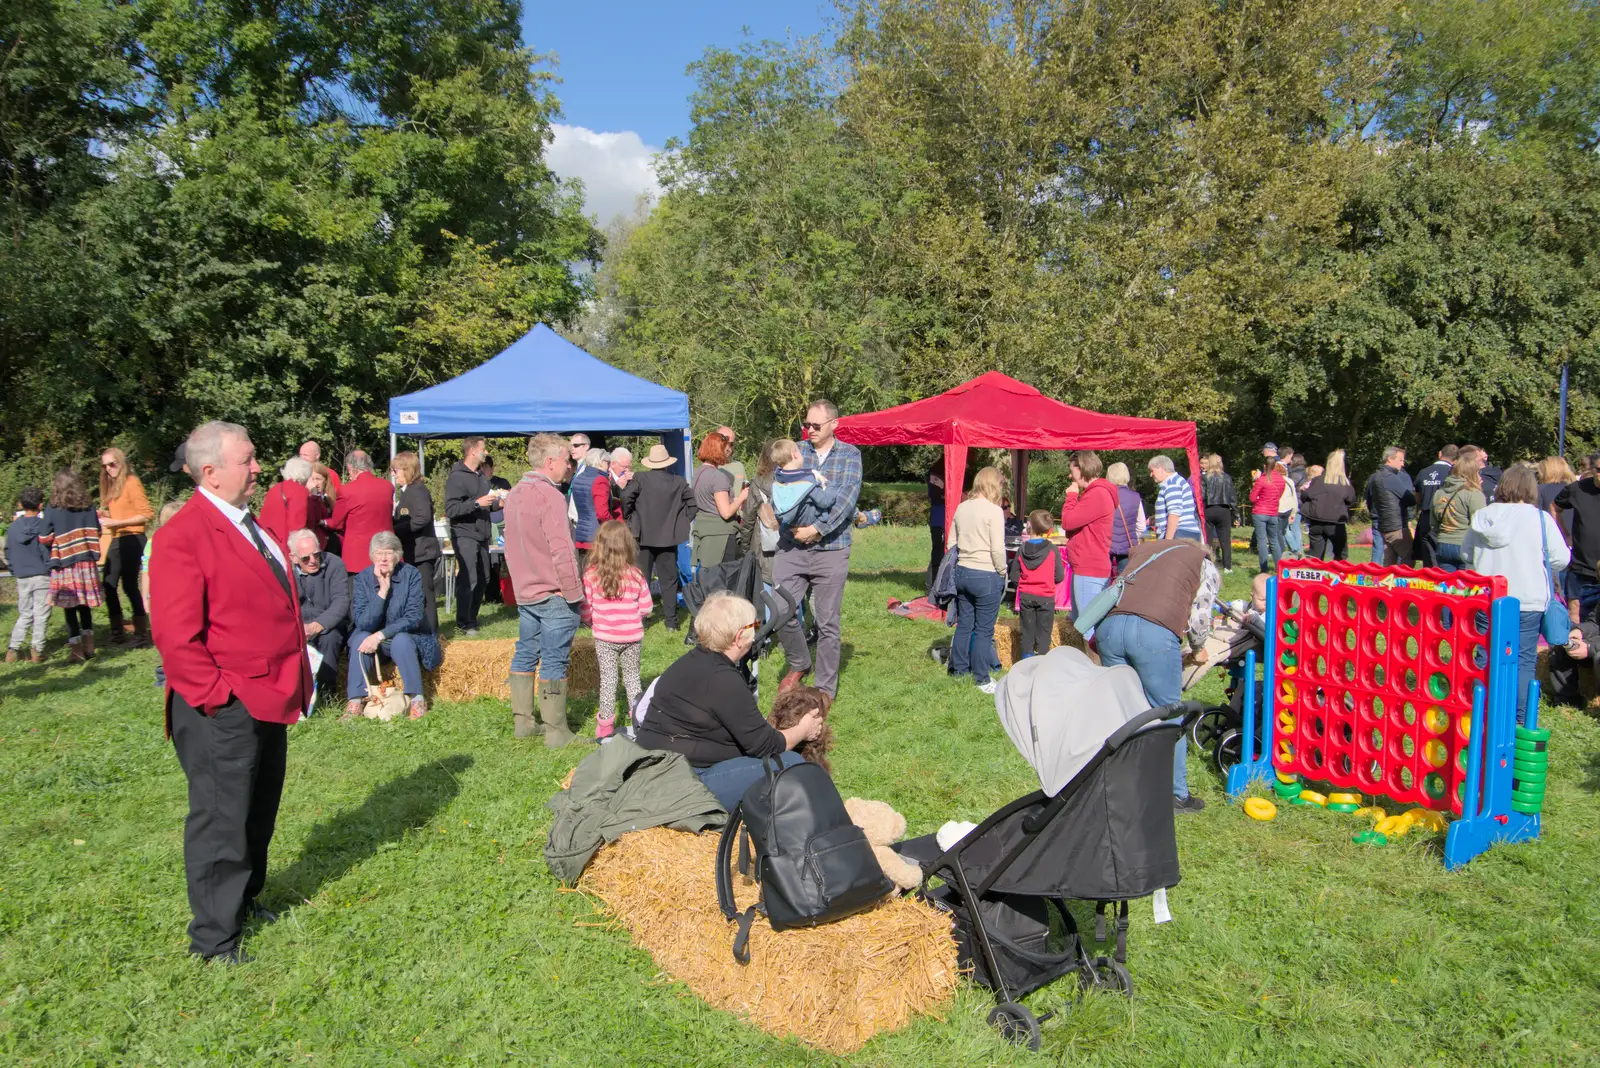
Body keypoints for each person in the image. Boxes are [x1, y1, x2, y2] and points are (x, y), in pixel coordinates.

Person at [150, 421, 312, 964]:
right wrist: (217, 696)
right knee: (221, 819)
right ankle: (214, 938)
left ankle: (242, 901)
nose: (258, 467)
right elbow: (175, 636)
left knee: (257, 808)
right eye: (248, 459)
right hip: (223, 705)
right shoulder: (183, 534)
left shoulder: (253, 523)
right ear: (211, 472)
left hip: (267, 694)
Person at [636, 591, 823, 810]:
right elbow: (768, 747)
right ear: (738, 637)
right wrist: (804, 729)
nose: (756, 632)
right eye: (753, 625)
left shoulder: (688, 663)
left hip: (655, 769)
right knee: (792, 765)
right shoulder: (724, 680)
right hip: (682, 783)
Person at [1094, 537, 1220, 813]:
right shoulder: (1203, 563)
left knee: (1122, 712)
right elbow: (1200, 617)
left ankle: (1116, 785)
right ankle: (1176, 794)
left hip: (1109, 628)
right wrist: (1198, 648)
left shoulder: (1145, 551)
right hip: (1153, 633)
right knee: (1169, 713)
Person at [773, 399, 863, 701]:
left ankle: (824, 690)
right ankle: (799, 663)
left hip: (832, 550)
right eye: (806, 424)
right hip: (791, 547)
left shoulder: (850, 456)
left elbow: (847, 501)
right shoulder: (796, 451)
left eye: (816, 425)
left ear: (834, 424)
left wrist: (817, 529)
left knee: (827, 623)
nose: (809, 430)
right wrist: (792, 525)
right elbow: (780, 488)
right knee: (781, 609)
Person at [1466, 464, 1568, 725]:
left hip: (1487, 598)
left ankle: (1479, 713)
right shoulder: (1540, 519)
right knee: (1523, 661)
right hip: (1527, 598)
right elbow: (1561, 559)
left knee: (1485, 656)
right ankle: (1519, 719)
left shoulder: (1482, 516)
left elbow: (1466, 555)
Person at [505, 434, 585, 745]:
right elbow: (563, 551)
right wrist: (574, 593)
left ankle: (523, 723)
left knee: (525, 653)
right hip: (553, 592)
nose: (569, 466)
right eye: (567, 460)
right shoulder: (550, 496)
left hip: (526, 590)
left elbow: (510, 547)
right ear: (550, 462)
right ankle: (557, 732)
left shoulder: (515, 493)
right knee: (554, 660)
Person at [344, 530, 440, 721]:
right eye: (379, 553)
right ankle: (355, 702)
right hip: (374, 641)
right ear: (372, 556)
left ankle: (417, 701)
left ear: (397, 555)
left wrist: (380, 635)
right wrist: (382, 592)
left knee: (401, 640)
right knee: (359, 638)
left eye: (388, 553)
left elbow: (413, 617)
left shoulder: (411, 574)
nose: (383, 559)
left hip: (407, 637)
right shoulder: (363, 578)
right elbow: (363, 622)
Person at [583, 520, 653, 741]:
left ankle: (605, 726)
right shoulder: (636, 575)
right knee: (633, 679)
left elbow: (586, 609)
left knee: (608, 680)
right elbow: (647, 607)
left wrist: (592, 619)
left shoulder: (591, 575)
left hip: (605, 638)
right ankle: (639, 720)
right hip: (632, 637)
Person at [622, 443, 696, 631]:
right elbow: (693, 504)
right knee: (669, 581)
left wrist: (631, 519)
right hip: (668, 538)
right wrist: (681, 523)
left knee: (641, 579)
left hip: (644, 536)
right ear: (667, 463)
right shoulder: (678, 482)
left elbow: (625, 498)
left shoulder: (640, 479)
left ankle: (641, 619)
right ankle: (671, 621)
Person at [948, 466, 1007, 694]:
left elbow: (951, 542)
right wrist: (1002, 571)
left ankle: (959, 670)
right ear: (994, 485)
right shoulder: (994, 511)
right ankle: (981, 678)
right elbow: (997, 549)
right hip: (986, 574)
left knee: (964, 624)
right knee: (984, 630)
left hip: (963, 571)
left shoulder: (962, 508)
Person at [40, 470, 103, 662]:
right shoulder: (88, 506)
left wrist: (58, 538)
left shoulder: (53, 508)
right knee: (84, 604)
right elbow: (97, 531)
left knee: (69, 606)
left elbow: (43, 537)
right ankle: (90, 645)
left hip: (66, 563)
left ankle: (76, 650)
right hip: (86, 562)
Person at [97, 446, 153, 645]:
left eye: (112, 464)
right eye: (105, 466)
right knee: (109, 584)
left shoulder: (132, 482)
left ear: (121, 462)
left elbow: (147, 514)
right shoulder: (112, 487)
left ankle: (141, 633)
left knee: (129, 586)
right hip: (118, 538)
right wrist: (106, 516)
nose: (109, 469)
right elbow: (120, 515)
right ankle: (117, 631)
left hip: (133, 538)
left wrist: (116, 523)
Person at [443, 436, 498, 636]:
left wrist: (499, 502)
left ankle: (472, 618)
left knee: (484, 577)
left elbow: (486, 503)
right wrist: (476, 503)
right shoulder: (456, 477)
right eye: (484, 449)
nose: (486, 453)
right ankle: (464, 622)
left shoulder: (481, 476)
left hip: (482, 534)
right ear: (473, 451)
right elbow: (450, 509)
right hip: (465, 534)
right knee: (469, 578)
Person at [1059, 451, 1116, 639]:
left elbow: (1067, 522)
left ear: (1082, 469)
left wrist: (1071, 496)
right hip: (1088, 566)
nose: (1070, 476)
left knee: (1086, 627)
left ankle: (1091, 666)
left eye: (1072, 471)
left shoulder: (1097, 494)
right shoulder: (1096, 493)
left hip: (1089, 568)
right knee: (1084, 623)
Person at [288, 528, 349, 694]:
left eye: (317, 554)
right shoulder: (285, 572)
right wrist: (299, 628)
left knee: (330, 638)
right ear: (293, 558)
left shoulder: (334, 564)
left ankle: (326, 692)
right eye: (306, 558)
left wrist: (318, 625)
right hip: (297, 626)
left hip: (328, 624)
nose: (313, 561)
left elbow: (341, 601)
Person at [390, 450, 442, 636]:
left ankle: (431, 633)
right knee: (418, 593)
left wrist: (396, 530)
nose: (393, 474)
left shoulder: (417, 490)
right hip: (415, 551)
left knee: (425, 594)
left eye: (396, 470)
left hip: (423, 552)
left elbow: (422, 517)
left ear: (407, 470)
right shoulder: (407, 491)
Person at [328, 450, 394, 575]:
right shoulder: (388, 487)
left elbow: (336, 523)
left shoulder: (347, 490)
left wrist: (322, 521)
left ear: (351, 467)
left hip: (358, 555)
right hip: (385, 549)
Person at [6, 486, 51, 663]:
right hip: (42, 575)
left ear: (20, 504)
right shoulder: (43, 526)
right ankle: (37, 651)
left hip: (22, 576)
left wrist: (14, 569)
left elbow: (8, 550)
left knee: (25, 613)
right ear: (41, 505)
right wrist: (50, 567)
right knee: (41, 614)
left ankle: (13, 650)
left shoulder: (13, 528)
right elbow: (46, 550)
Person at [1010, 510, 1063, 658]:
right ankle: (1041, 666)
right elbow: (1059, 576)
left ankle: (1026, 665)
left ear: (1029, 526)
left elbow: (1014, 577)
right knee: (1044, 635)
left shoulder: (1021, 549)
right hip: (1046, 597)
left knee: (1027, 633)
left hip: (1027, 596)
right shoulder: (1053, 549)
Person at [690, 432, 747, 568]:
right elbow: (726, 513)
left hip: (704, 534)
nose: (728, 450)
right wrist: (742, 497)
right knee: (724, 582)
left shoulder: (698, 473)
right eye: (725, 446)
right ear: (717, 449)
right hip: (721, 538)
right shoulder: (718, 476)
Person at [1554, 459, 1600, 624]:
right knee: (1575, 614)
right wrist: (1563, 534)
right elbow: (1555, 506)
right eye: (1599, 470)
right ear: (1593, 469)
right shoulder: (1577, 489)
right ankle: (1572, 648)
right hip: (1581, 566)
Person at [258, 457, 324, 555]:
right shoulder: (299, 491)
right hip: (287, 545)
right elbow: (297, 525)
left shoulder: (275, 488)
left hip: (268, 540)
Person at [1300, 449, 1358, 561]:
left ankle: (1316, 576)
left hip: (1316, 521)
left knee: (1315, 557)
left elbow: (1305, 496)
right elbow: (1351, 500)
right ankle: (1338, 576)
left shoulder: (1318, 480)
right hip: (1335, 524)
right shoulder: (1344, 484)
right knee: (1341, 555)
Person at [1431, 454, 1487, 572]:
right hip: (1464, 545)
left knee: (1446, 587)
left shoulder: (1439, 492)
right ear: (1472, 473)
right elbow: (1480, 524)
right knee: (1465, 587)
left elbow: (1433, 522)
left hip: (1442, 543)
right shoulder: (1473, 493)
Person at [770, 438, 836, 535]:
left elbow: (773, 504)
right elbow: (825, 501)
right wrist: (829, 485)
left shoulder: (777, 482)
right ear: (795, 455)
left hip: (789, 525)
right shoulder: (806, 482)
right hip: (808, 524)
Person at [738, 441, 781, 584]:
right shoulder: (798, 481)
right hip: (790, 547)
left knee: (766, 593)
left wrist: (745, 550)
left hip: (763, 546)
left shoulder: (757, 483)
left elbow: (748, 520)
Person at [1363, 446, 1415, 565]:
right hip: (1396, 526)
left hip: (1383, 525)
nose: (1403, 464)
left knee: (1389, 561)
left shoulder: (1375, 477)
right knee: (1408, 559)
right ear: (1390, 459)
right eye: (1401, 460)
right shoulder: (1391, 478)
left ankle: (1386, 582)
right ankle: (1401, 583)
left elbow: (1370, 500)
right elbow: (1410, 500)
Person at [1413, 445, 1459, 568]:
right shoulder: (1452, 474)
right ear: (1455, 460)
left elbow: (1416, 497)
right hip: (1444, 518)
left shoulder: (1423, 472)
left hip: (1425, 517)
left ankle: (1429, 581)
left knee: (1428, 556)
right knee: (1443, 558)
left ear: (1439, 454)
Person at [570, 447, 611, 573]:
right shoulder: (600, 480)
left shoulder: (578, 478)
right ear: (600, 462)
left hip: (581, 532)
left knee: (585, 573)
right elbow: (602, 513)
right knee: (599, 574)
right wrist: (614, 524)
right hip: (597, 535)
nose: (608, 466)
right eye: (607, 463)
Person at [1105, 461, 1147, 574]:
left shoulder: (1104, 495)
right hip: (1128, 546)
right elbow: (1141, 526)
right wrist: (1133, 535)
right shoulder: (1135, 497)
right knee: (1124, 580)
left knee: (1104, 579)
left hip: (1106, 545)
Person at [1149, 454, 1202, 542]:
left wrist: (1168, 542)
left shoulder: (1172, 484)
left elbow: (1174, 514)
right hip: (1184, 533)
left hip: (1179, 534)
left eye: (1152, 471)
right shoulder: (1176, 481)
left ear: (1161, 469)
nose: (1151, 475)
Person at [1250, 446, 1286, 571]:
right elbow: (1280, 495)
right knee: (1274, 541)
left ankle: (1264, 569)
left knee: (1261, 542)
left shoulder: (1262, 479)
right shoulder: (1281, 480)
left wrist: (1255, 483)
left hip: (1260, 512)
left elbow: (1253, 498)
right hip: (1273, 512)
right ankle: (1279, 568)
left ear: (1265, 466)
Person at [1200, 454, 1236, 571]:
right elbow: (1232, 497)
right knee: (1225, 540)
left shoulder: (1205, 478)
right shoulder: (1227, 478)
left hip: (1209, 509)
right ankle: (1228, 567)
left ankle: (1208, 564)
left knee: (1208, 540)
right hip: (1223, 509)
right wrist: (1237, 514)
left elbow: (1202, 496)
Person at [1276, 449, 1303, 558]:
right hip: (1288, 509)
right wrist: (1293, 512)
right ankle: (1296, 549)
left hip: (1279, 509)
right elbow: (1294, 498)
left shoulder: (1276, 482)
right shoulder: (1290, 481)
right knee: (1285, 529)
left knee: (1280, 531)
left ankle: (1290, 550)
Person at [926, 459, 947, 589]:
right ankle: (931, 586)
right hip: (939, 519)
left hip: (942, 518)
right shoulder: (937, 471)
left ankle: (939, 584)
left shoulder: (942, 470)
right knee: (937, 553)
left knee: (940, 553)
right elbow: (935, 496)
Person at [305, 463, 336, 549]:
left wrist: (324, 522)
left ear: (325, 480)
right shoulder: (306, 498)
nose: (315, 483)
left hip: (331, 542)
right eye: (312, 479)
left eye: (318, 479)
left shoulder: (330, 497)